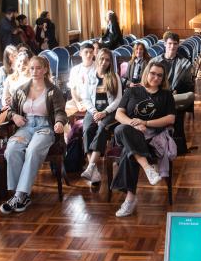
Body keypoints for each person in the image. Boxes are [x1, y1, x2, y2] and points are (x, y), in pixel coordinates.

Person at [0, 56, 67, 213]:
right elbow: (9, 110)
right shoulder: (21, 89)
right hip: (25, 126)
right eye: (31, 68)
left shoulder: (53, 91)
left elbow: (60, 112)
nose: (34, 71)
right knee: (12, 149)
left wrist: (59, 122)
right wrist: (14, 116)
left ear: (44, 70)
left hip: (45, 127)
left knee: (33, 150)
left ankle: (19, 196)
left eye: (38, 68)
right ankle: (21, 195)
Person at [111, 60, 176, 217]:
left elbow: (170, 119)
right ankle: (148, 168)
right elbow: (118, 114)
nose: (155, 77)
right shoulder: (132, 91)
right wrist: (134, 124)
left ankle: (130, 199)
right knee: (121, 128)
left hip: (151, 138)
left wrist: (145, 122)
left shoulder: (166, 95)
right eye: (153, 73)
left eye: (160, 76)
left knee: (129, 153)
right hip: (129, 132)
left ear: (163, 78)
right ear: (147, 72)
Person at [78, 49, 123, 184]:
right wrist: (94, 112)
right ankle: (95, 171)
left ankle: (91, 165)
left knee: (102, 127)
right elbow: (85, 98)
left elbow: (118, 99)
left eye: (107, 60)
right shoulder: (89, 75)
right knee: (86, 130)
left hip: (110, 112)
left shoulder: (114, 76)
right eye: (102, 59)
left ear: (110, 62)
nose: (104, 62)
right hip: (93, 111)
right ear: (97, 59)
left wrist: (105, 112)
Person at [158, 32, 194, 152]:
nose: (172, 47)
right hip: (158, 97)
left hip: (176, 97)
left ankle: (177, 148)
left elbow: (189, 84)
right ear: (164, 44)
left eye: (175, 44)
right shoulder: (155, 61)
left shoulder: (185, 63)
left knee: (176, 115)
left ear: (178, 45)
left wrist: (176, 90)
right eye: (169, 43)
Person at [67, 43, 97, 115]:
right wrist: (77, 103)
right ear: (80, 53)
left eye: (91, 52)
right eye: (86, 52)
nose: (89, 55)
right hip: (78, 101)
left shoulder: (98, 67)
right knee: (65, 109)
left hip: (93, 100)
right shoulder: (75, 69)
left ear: (93, 54)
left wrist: (87, 104)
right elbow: (73, 89)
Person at [0, 46, 18, 111]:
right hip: (1, 98)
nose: (15, 58)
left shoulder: (20, 69)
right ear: (8, 58)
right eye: (12, 56)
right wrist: (7, 95)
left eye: (16, 55)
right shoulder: (2, 70)